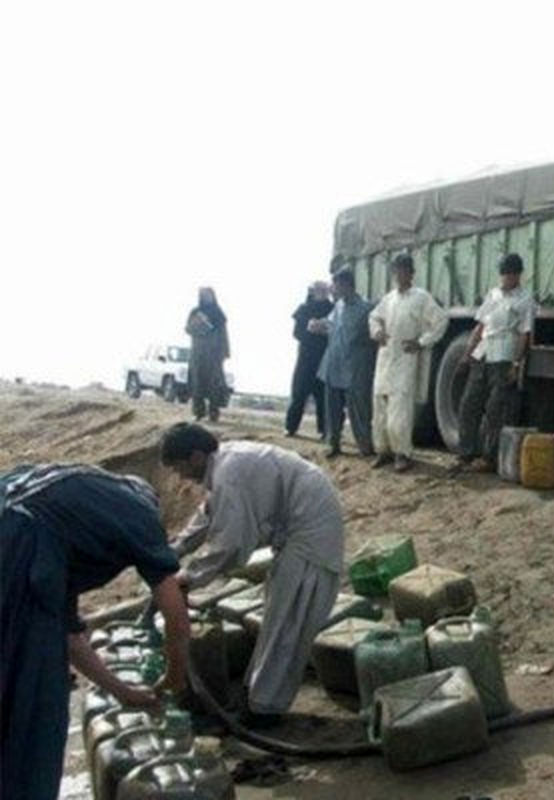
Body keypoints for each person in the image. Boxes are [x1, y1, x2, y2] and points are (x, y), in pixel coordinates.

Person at [1, 464, 190, 800]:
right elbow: (172, 602)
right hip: (14, 556)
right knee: (33, 700)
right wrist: (176, 673)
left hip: (14, 547)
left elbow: (70, 637)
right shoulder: (139, 513)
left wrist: (122, 691)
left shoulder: (66, 516)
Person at [161, 423, 344, 727]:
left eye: (180, 467)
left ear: (195, 456)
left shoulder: (229, 472)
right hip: (299, 532)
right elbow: (208, 516)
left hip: (312, 536)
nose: (181, 477)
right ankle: (257, 696)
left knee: (288, 625)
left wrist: (189, 578)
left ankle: (264, 710)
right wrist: (175, 550)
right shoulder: (225, 465)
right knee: (278, 618)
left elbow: (231, 545)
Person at [453, 253, 536, 473]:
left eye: (510, 274)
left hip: (504, 356)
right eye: (503, 274)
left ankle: (489, 458)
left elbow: (525, 335)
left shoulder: (525, 299)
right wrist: (467, 354)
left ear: (518, 275)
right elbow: (479, 328)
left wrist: (516, 364)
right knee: (469, 403)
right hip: (483, 354)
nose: (506, 278)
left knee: (496, 410)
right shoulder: (493, 295)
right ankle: (465, 453)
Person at [367, 254, 448, 472]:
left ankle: (402, 453)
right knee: (380, 408)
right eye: (396, 271)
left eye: (404, 270)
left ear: (411, 273)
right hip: (385, 359)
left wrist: (422, 342)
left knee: (399, 411)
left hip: (405, 359)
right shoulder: (389, 298)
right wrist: (377, 332)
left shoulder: (421, 297)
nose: (400, 275)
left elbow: (441, 321)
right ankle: (382, 451)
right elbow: (374, 317)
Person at [312, 267, 375, 458]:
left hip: (355, 367)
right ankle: (333, 444)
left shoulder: (366, 308)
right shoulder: (338, 306)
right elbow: (331, 325)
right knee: (332, 409)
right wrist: (319, 324)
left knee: (359, 409)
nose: (334, 289)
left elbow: (373, 337)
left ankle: (365, 446)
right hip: (334, 363)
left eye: (337, 285)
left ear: (347, 285)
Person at [285, 281, 334, 438]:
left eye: (323, 290)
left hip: (324, 358)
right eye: (318, 290)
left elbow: (337, 331)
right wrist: (310, 329)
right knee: (299, 392)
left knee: (323, 396)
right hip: (305, 357)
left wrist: (324, 330)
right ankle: (291, 427)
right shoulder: (304, 309)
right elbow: (296, 333)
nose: (321, 293)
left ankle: (324, 430)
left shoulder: (333, 309)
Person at [185, 287, 231, 423]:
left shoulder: (218, 314)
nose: (207, 298)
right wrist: (199, 324)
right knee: (197, 383)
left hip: (214, 353)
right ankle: (199, 412)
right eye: (204, 295)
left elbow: (224, 334)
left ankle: (214, 412)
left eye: (209, 295)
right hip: (198, 352)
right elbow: (188, 329)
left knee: (214, 384)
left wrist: (225, 351)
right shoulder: (195, 312)